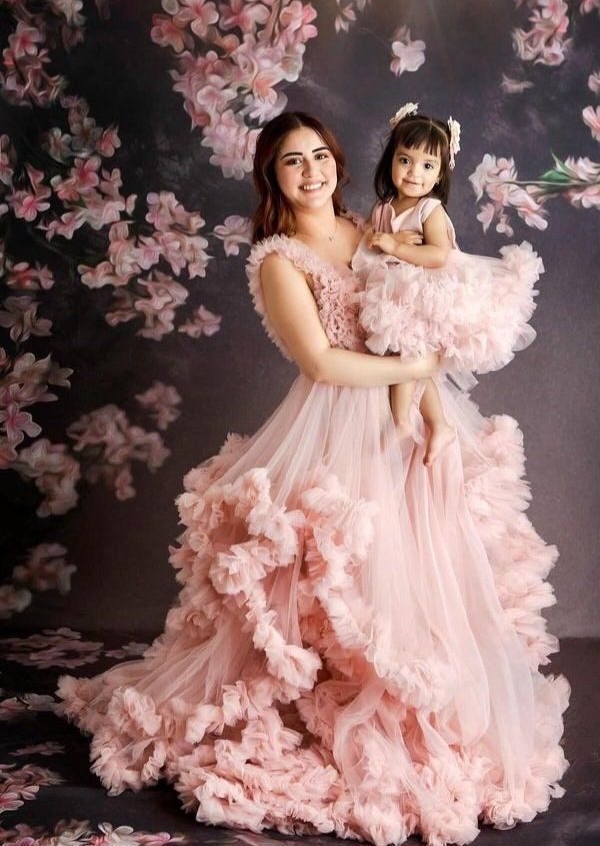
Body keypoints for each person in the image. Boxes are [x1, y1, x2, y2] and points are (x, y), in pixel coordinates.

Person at [54, 110, 570, 846]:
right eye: (293, 162)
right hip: (334, 417)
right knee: (332, 566)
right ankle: (313, 710)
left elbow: (412, 315)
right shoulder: (279, 257)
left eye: (320, 156)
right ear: (273, 176)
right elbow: (322, 362)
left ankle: (417, 703)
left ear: (338, 160)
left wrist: (433, 411)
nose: (312, 172)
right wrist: (410, 371)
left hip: (401, 404)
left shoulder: (371, 228)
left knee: (420, 562)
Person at [353, 102, 545, 467]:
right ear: (390, 160)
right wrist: (380, 242)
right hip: (395, 293)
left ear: (440, 174)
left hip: (427, 291)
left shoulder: (429, 210)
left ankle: (403, 422)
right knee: (409, 358)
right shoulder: (383, 207)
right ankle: (437, 424)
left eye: (428, 166)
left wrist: (396, 246)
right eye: (405, 160)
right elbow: (371, 243)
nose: (414, 173)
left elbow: (439, 255)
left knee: (408, 354)